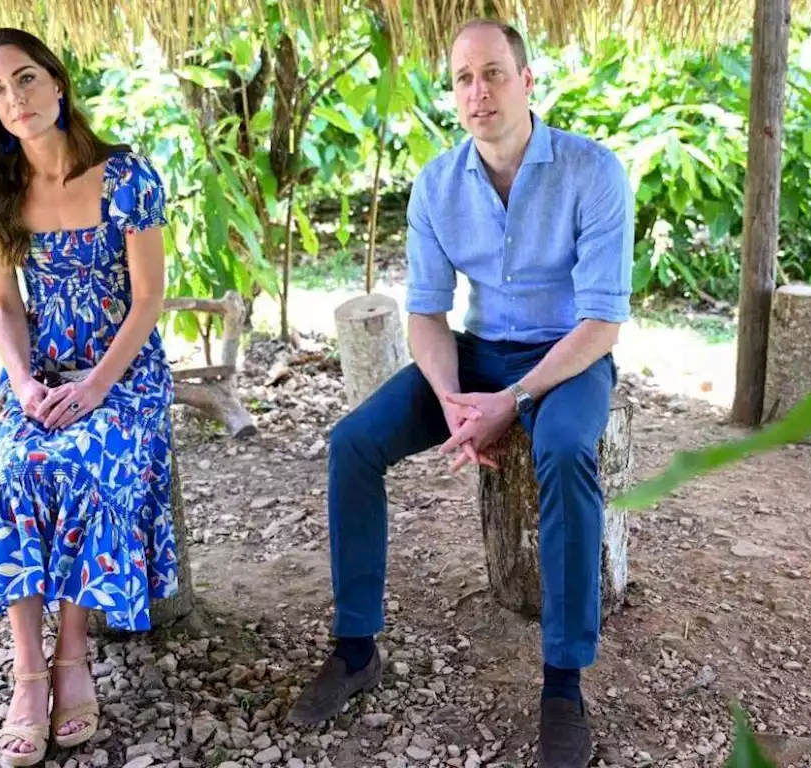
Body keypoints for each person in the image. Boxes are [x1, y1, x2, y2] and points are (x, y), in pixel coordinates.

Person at [285, 17, 633, 768]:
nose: (478, 93)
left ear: (528, 80)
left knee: (567, 448)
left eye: (494, 74)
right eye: (463, 79)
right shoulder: (438, 185)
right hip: (472, 357)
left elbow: (603, 322)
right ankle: (355, 647)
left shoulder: (593, 171)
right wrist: (450, 400)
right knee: (352, 444)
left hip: (566, 358)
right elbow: (427, 312)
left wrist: (512, 402)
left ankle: (563, 684)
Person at [0, 28, 178, 767]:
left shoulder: (127, 178)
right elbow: (2, 307)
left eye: (25, 79)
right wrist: (24, 385)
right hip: (41, 374)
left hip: (122, 372)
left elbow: (148, 300)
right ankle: (27, 671)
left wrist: (94, 389)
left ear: (57, 82)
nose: (14, 100)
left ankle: (72, 657)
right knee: (23, 465)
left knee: (84, 459)